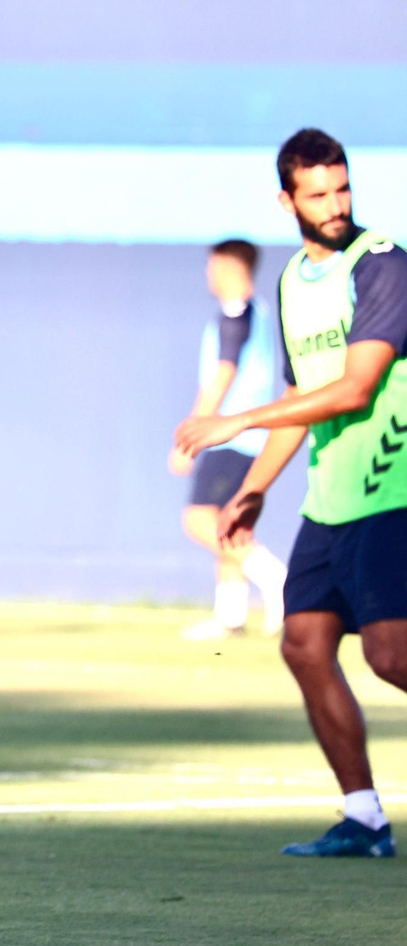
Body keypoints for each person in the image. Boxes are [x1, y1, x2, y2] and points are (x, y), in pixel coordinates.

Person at [177, 128, 407, 858]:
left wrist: (236, 421)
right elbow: (300, 394)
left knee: (391, 657)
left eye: (342, 188)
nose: (335, 205)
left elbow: (354, 386)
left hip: (391, 487)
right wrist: (251, 489)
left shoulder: (383, 266)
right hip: (330, 499)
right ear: (287, 200)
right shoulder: (288, 284)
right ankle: (364, 819)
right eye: (318, 194)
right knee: (305, 643)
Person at [168, 239, 287, 640]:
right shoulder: (259, 311)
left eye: (212, 265)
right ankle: (231, 617)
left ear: (229, 266)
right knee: (227, 522)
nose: (208, 274)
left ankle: (274, 577)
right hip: (244, 436)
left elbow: (223, 372)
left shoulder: (237, 311)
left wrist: (194, 434)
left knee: (199, 519)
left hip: (230, 436)